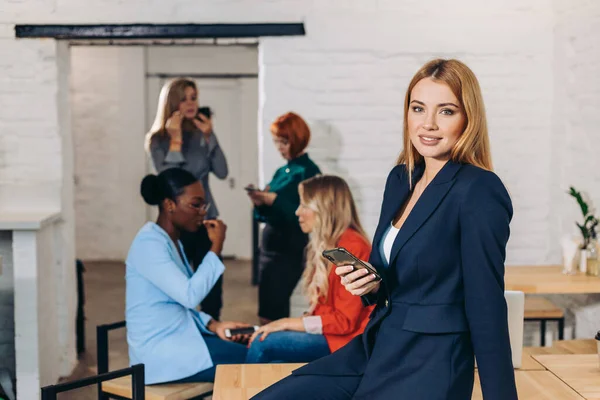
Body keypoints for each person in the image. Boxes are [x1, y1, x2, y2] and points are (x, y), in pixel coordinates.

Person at [252, 59, 518, 400]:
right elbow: (392, 275)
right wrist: (371, 284)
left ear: (468, 119)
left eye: (446, 111)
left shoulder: (479, 189)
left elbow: (487, 304)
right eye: (418, 108)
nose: (429, 124)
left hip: (431, 362)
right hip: (377, 344)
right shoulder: (400, 179)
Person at [126, 167, 248, 384]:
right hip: (160, 354)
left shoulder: (172, 241)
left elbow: (178, 304)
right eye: (195, 204)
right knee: (257, 358)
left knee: (252, 348)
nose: (203, 212)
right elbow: (189, 296)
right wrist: (216, 247)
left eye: (204, 205)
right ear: (169, 205)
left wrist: (214, 325)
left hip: (179, 340)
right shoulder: (149, 244)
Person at [246, 175, 374, 363]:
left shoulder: (353, 246)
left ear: (325, 209)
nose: (298, 212)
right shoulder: (329, 243)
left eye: (304, 205)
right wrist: (294, 324)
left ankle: (246, 393)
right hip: (331, 335)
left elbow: (344, 321)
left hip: (345, 341)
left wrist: (287, 323)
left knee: (262, 343)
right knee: (269, 350)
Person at [145, 78, 228, 320]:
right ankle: (184, 327)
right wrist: (175, 141)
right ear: (172, 102)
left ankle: (214, 327)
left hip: (205, 218)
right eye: (184, 98)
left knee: (212, 280)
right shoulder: (157, 140)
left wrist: (211, 137)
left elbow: (222, 172)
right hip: (178, 222)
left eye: (194, 97)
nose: (190, 103)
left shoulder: (201, 135)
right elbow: (170, 180)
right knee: (181, 279)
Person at [247, 112, 321, 324]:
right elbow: (264, 215)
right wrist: (260, 202)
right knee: (266, 308)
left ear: (297, 139)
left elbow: (306, 212)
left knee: (274, 308)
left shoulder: (308, 171)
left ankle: (275, 350)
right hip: (269, 248)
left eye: (284, 142)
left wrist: (273, 200)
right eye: (276, 142)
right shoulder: (282, 171)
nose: (280, 147)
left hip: (289, 248)